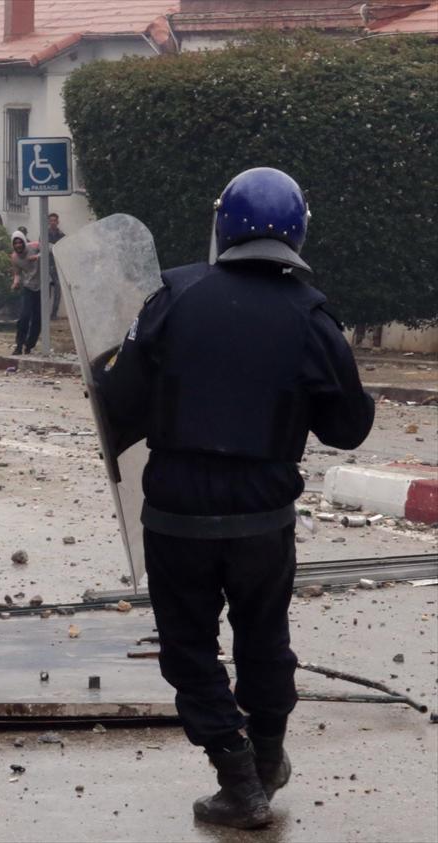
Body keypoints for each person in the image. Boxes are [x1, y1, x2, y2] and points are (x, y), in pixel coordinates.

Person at [94, 167, 375, 830]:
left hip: (177, 513)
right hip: (263, 517)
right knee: (264, 638)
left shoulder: (173, 295)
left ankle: (238, 775)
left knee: (189, 647)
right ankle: (269, 756)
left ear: (223, 223)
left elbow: (118, 407)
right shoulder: (312, 314)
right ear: (300, 228)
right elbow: (348, 426)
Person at [10, 230, 42, 355]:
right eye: (15, 243)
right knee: (24, 316)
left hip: (42, 286)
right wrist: (15, 282)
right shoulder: (14, 257)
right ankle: (19, 345)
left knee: (38, 318)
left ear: (24, 241)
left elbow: (49, 249)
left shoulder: (34, 246)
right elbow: (17, 273)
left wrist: (37, 257)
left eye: (20, 242)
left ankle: (29, 345)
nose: (18, 245)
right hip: (28, 286)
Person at [47, 212, 65, 319]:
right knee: (45, 290)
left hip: (57, 265)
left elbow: (64, 249)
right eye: (51, 220)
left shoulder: (61, 235)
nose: (53, 222)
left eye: (55, 220)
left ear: (57, 222)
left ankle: (54, 313)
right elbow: (42, 248)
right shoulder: (45, 234)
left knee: (58, 289)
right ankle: (43, 311)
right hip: (47, 265)